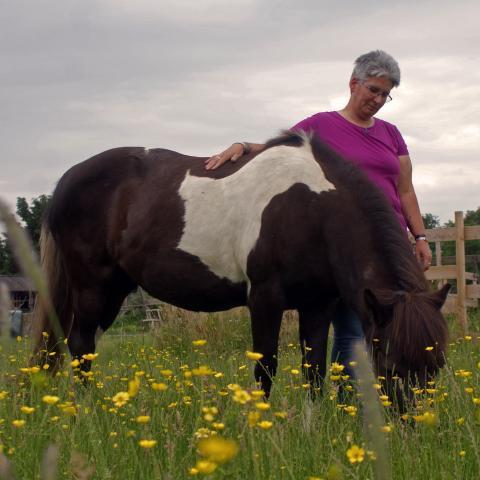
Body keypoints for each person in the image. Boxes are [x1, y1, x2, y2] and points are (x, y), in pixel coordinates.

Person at [204, 50, 432, 377]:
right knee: (352, 326)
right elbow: (276, 150)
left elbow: (405, 189)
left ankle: (392, 389)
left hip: (388, 245)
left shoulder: (391, 134)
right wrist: (242, 146)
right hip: (343, 246)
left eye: (386, 94)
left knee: (395, 320)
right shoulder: (320, 125)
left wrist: (420, 235)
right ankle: (346, 396)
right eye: (373, 90)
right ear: (354, 84)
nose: (379, 99)